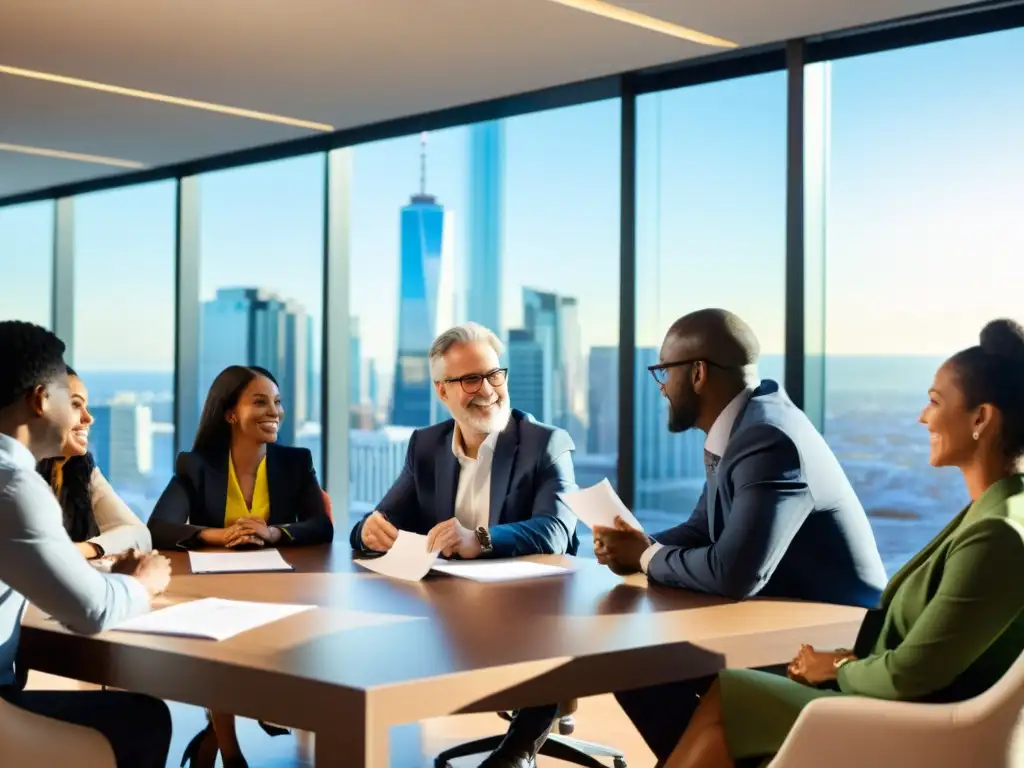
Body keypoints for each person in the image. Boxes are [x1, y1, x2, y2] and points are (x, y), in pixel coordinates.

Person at [666, 318, 1024, 768]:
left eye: (934, 402)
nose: (923, 416)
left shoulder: (998, 535)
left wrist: (837, 668)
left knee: (727, 708)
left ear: (981, 418)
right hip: (913, 706)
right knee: (728, 698)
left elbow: (911, 675)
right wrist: (844, 659)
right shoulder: (996, 511)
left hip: (914, 727)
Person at [594, 308, 887, 761]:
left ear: (697, 373)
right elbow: (702, 528)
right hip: (778, 621)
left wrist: (646, 557)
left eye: (662, 372)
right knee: (635, 666)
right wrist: (633, 545)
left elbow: (733, 572)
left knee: (641, 664)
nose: (661, 388)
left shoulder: (767, 437)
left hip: (829, 643)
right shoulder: (745, 424)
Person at [350, 322, 579, 768]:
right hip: (451, 607)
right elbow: (381, 518)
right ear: (442, 391)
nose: (488, 390)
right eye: (470, 379)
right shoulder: (426, 445)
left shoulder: (546, 443)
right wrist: (367, 531)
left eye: (495, 374)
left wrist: (482, 539)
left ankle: (516, 753)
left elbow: (555, 528)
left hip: (534, 606)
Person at [0, 320, 172, 768]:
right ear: (41, 399)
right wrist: (144, 583)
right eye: (69, 399)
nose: (81, 416)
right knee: (145, 719)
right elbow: (93, 612)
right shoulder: (14, 485)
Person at [149, 364, 333, 768]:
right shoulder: (195, 464)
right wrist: (219, 535)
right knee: (221, 648)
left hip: (284, 588)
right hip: (215, 589)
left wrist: (274, 534)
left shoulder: (295, 461)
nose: (275, 411)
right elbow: (158, 527)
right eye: (260, 401)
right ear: (230, 412)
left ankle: (217, 736)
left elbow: (321, 526)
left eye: (278, 402)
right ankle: (231, 753)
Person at [36, 366, 151, 559]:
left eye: (85, 407)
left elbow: (140, 534)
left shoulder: (78, 466)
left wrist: (86, 549)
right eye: (75, 405)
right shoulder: (16, 475)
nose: (88, 418)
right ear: (39, 406)